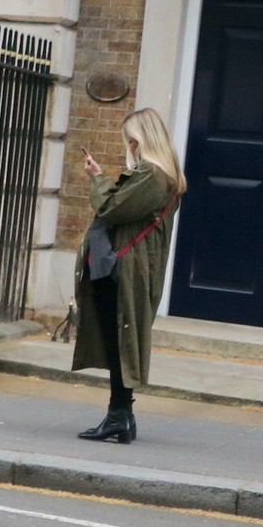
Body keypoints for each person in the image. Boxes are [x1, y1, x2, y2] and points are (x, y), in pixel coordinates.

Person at [71, 108, 184, 444]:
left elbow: (111, 209)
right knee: (117, 341)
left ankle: (119, 416)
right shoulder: (155, 175)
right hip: (125, 267)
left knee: (121, 342)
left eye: (131, 139)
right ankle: (122, 417)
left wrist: (98, 179)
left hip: (125, 270)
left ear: (140, 139)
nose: (129, 145)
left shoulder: (154, 176)